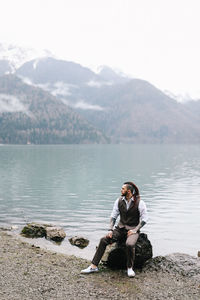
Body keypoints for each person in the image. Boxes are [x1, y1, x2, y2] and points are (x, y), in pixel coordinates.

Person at [81, 181, 148, 277]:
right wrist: (110, 230)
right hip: (120, 229)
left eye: (123, 189)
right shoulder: (119, 201)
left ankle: (129, 268)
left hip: (132, 230)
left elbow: (145, 219)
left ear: (128, 191)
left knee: (129, 244)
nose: (121, 190)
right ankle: (94, 266)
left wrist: (135, 230)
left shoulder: (140, 203)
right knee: (103, 240)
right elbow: (113, 216)